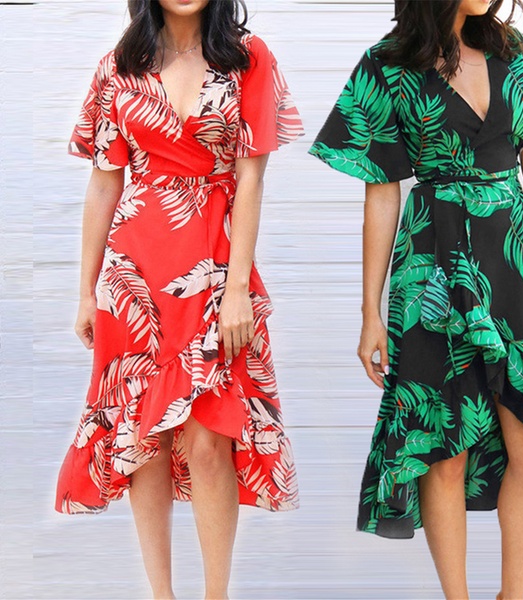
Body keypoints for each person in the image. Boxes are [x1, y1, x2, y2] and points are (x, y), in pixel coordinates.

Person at [309, 0, 523, 598]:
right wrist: (369, 312)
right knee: (443, 445)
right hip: (430, 267)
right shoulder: (386, 65)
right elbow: (382, 192)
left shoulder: (515, 55)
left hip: (513, 264)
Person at [55, 1, 303, 598]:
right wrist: (86, 291)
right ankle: (161, 594)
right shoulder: (119, 64)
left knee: (212, 437)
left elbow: (251, 178)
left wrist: (237, 289)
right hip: (134, 275)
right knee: (145, 437)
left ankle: (216, 594)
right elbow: (105, 181)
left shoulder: (249, 58)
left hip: (215, 269)